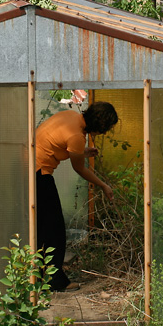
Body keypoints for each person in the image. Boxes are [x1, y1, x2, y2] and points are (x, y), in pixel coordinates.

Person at [32, 101, 118, 292]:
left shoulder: (70, 117)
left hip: (28, 169)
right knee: (54, 230)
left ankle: (36, 277)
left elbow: (62, 147)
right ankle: (55, 281)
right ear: (100, 126)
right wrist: (104, 185)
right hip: (39, 174)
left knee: (41, 228)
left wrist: (84, 152)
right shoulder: (77, 136)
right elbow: (79, 168)